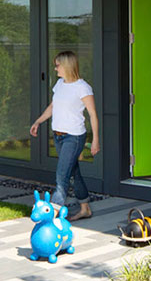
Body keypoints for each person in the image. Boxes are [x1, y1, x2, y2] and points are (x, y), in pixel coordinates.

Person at [28, 51, 100, 221]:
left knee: (62, 177)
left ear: (67, 65)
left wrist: (95, 139)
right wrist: (38, 121)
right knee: (74, 172)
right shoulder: (60, 84)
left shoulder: (83, 87)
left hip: (73, 137)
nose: (55, 68)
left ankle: (51, 215)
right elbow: (53, 106)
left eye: (58, 65)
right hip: (59, 136)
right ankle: (85, 209)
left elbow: (93, 114)